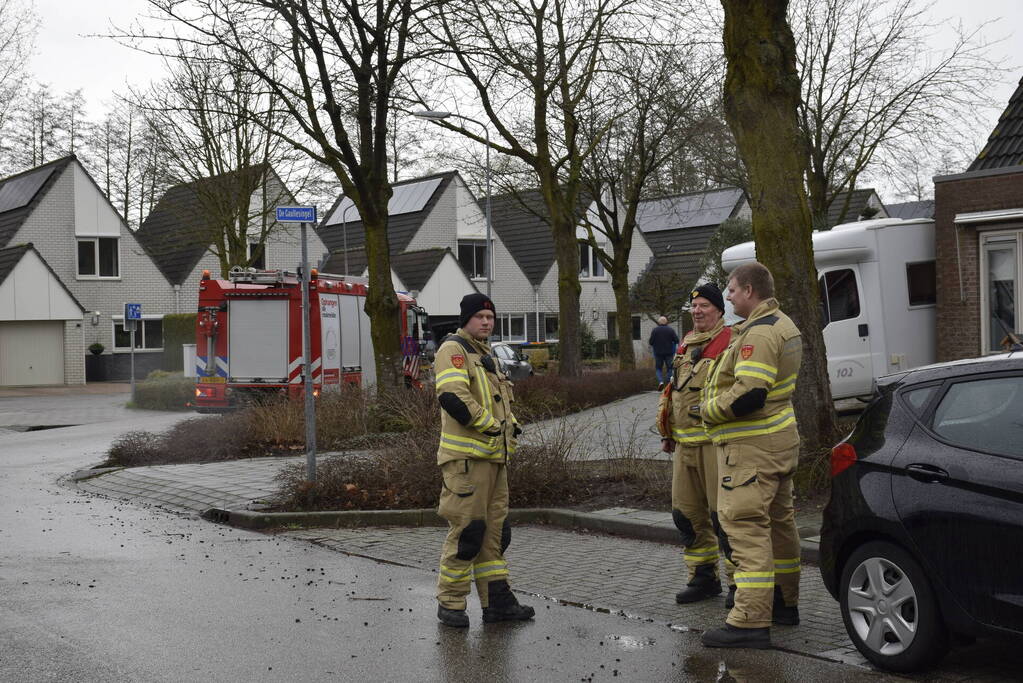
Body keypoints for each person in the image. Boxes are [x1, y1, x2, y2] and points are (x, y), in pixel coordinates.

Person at [698, 263, 802, 650]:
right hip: (778, 443)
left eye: (731, 289)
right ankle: (783, 604)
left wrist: (708, 410)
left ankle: (749, 620)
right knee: (779, 525)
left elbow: (750, 393)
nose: (727, 296)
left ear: (750, 290)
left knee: (745, 528)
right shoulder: (782, 324)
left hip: (752, 451)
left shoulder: (757, 333)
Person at [433, 292, 534, 628]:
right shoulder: (454, 351)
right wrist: (490, 425)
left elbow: (497, 401)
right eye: (480, 317)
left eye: (490, 317)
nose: (486, 322)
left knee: (495, 535)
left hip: (493, 460)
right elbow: (453, 397)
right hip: (466, 462)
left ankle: (497, 602)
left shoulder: (484, 354)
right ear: (466, 320)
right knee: (468, 532)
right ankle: (450, 603)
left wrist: (511, 426)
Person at [656, 283, 735, 606]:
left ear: (719, 310)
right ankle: (703, 577)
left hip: (716, 445)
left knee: (724, 518)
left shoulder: (729, 342)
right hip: (684, 446)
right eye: (695, 306)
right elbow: (675, 391)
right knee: (686, 515)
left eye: (705, 305)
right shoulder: (685, 346)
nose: (698, 311)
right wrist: (667, 431)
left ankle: (738, 584)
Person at [648, 316, 680, 390]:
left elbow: (651, 342)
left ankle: (661, 382)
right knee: (670, 368)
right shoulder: (670, 330)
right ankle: (668, 383)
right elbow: (677, 340)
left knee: (658, 368)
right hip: (669, 353)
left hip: (658, 353)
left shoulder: (655, 330)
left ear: (659, 322)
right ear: (666, 322)